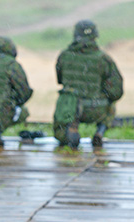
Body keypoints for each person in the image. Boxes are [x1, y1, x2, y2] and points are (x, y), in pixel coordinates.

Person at [53, 20, 123, 149]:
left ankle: (72, 127)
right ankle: (99, 132)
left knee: (65, 102)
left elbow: (60, 80)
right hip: (96, 108)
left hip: (70, 109)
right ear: (95, 36)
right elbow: (116, 90)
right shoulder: (104, 59)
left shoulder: (64, 56)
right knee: (111, 106)